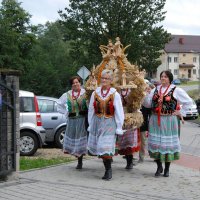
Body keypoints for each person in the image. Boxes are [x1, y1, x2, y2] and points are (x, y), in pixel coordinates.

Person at [143, 70, 193, 177]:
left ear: (169, 78)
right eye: (161, 76)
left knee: (167, 145)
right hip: (155, 120)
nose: (163, 78)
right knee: (156, 144)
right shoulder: (155, 89)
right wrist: (145, 95)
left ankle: (167, 169)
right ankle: (158, 166)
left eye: (165, 76)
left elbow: (188, 102)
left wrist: (180, 112)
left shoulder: (176, 90)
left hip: (169, 120)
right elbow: (147, 105)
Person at [87, 69, 124, 180]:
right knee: (100, 148)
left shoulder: (115, 94)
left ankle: (108, 170)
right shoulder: (95, 93)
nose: (104, 80)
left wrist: (119, 126)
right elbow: (91, 109)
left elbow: (119, 111)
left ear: (111, 80)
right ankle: (107, 167)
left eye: (107, 78)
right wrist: (90, 123)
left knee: (105, 147)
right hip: (98, 122)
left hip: (109, 123)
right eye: (103, 78)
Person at [58, 76, 88, 169]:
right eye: (73, 83)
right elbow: (59, 104)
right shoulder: (67, 94)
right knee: (75, 139)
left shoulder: (85, 93)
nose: (75, 84)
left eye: (77, 82)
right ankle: (78, 160)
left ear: (80, 83)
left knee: (80, 139)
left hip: (82, 120)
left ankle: (80, 161)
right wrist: (66, 112)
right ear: (71, 85)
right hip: (72, 121)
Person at [117, 88, 140, 169]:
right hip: (120, 117)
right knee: (123, 141)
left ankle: (130, 162)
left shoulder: (131, 91)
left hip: (130, 118)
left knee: (129, 141)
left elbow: (136, 104)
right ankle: (128, 160)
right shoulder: (117, 91)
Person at [139, 83, 154, 163]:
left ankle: (150, 155)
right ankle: (139, 157)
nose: (147, 90)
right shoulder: (140, 99)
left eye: (148, 89)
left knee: (147, 140)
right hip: (140, 123)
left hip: (148, 124)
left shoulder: (151, 100)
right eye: (145, 89)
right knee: (141, 141)